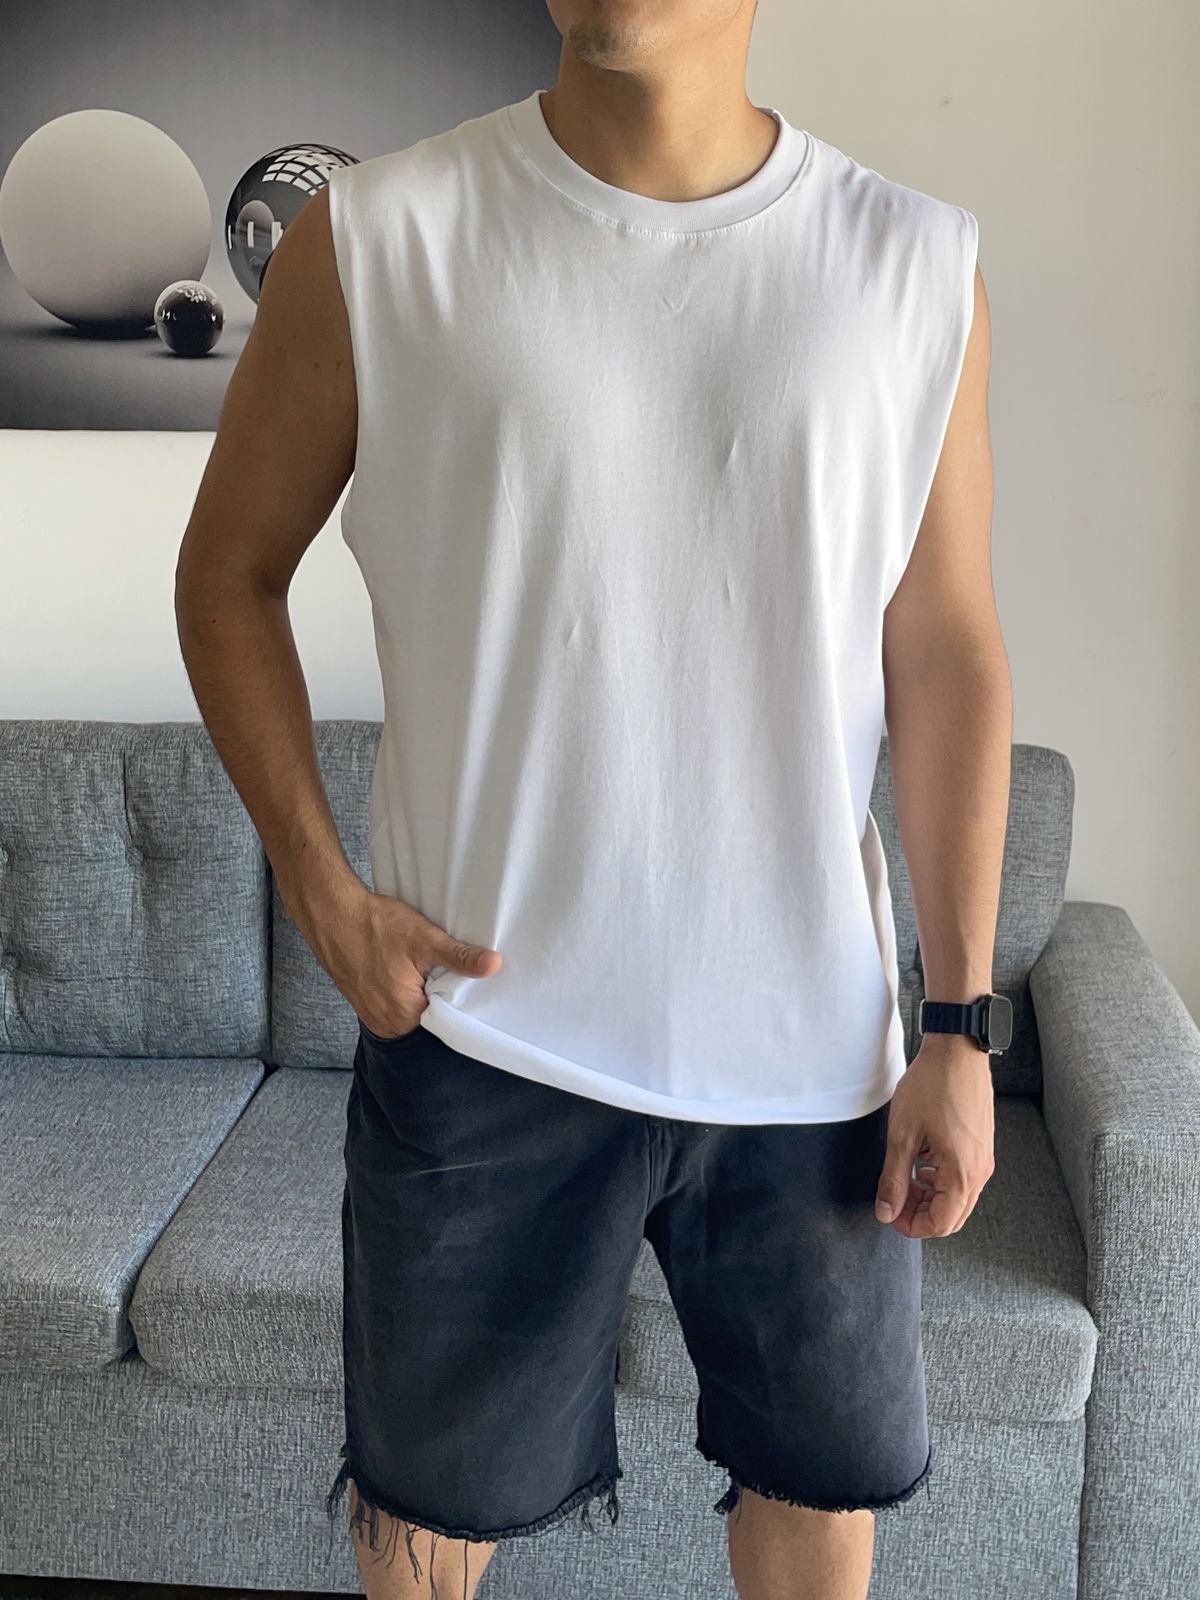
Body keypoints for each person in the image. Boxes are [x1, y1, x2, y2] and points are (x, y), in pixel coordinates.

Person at [175, 4, 1010, 1598]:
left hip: (812, 1054)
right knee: (424, 1526)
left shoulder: (910, 265)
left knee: (820, 1497)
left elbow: (948, 651)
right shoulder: (381, 236)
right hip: (484, 1035)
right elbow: (227, 576)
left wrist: (962, 1027)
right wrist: (321, 894)